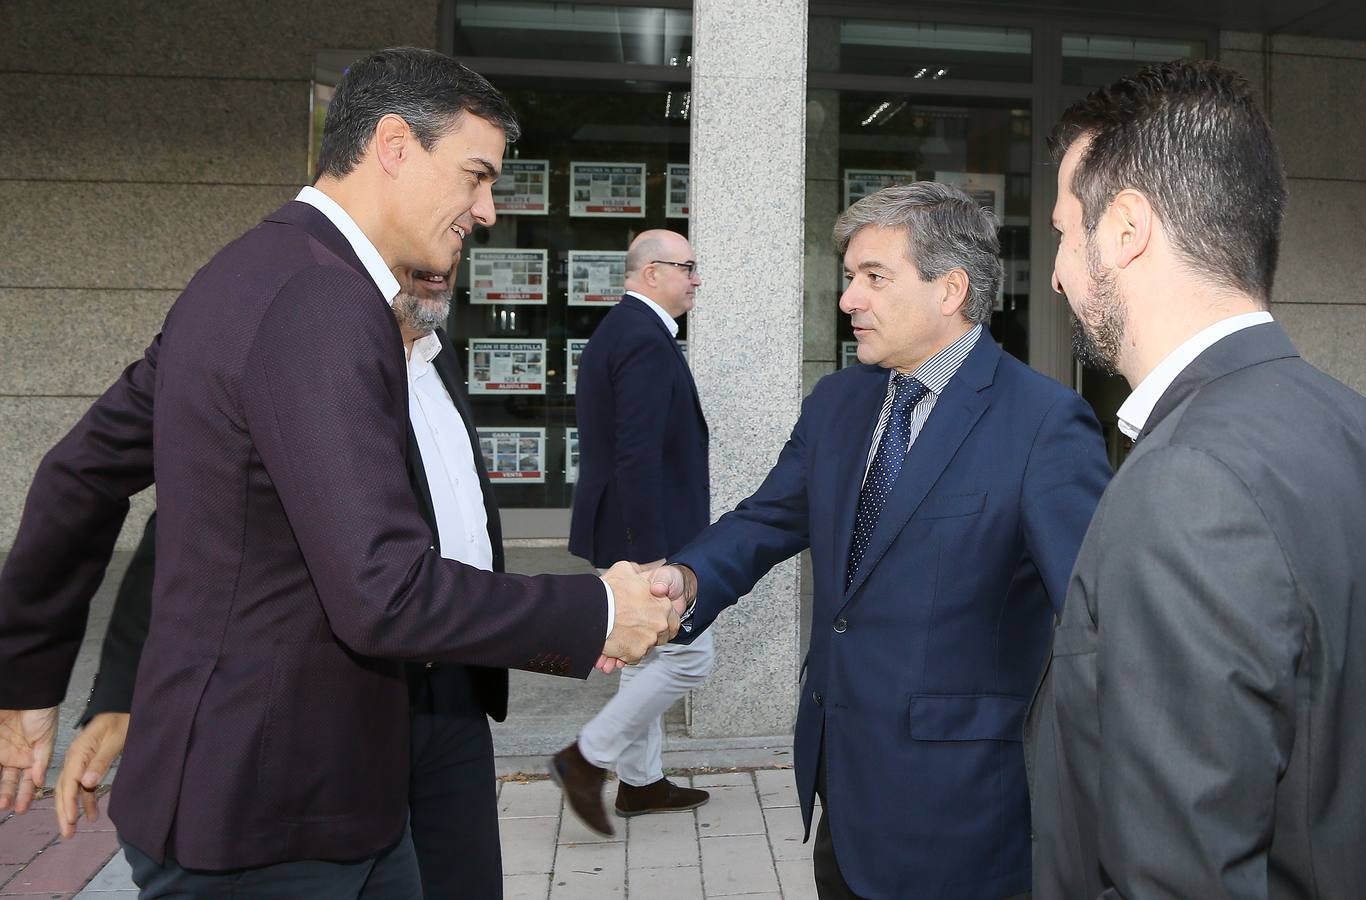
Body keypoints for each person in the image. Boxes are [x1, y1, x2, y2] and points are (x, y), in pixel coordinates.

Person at [0, 47, 676, 897]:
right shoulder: (320, 299)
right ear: (393, 143)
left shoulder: (248, 274)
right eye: (474, 176)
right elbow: (381, 590)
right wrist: (599, 610)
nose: (488, 210)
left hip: (358, 765)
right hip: (273, 804)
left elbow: (82, 473)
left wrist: (28, 677)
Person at [647, 182, 1112, 898]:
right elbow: (768, 519)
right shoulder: (839, 401)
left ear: (950, 288)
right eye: (849, 278)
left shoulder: (1044, 423)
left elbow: (1095, 622)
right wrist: (685, 581)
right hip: (842, 785)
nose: (848, 300)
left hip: (965, 814)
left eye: (874, 278)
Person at [1025, 59, 1366, 898]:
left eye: (1061, 230)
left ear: (1124, 229)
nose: (1055, 274)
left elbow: (1182, 871)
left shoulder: (1189, 482)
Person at [53, 264, 525, 899]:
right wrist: (120, 695)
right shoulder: (313, 360)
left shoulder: (440, 360)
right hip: (348, 705)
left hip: (456, 700)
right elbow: (194, 528)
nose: (443, 262)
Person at [553, 230, 714, 836]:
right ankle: (586, 757)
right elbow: (637, 455)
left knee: (647, 658)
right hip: (645, 534)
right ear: (651, 273)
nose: (696, 279)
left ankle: (641, 785)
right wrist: (650, 555)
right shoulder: (643, 341)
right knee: (691, 656)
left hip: (629, 526)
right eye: (688, 267)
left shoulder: (625, 332)